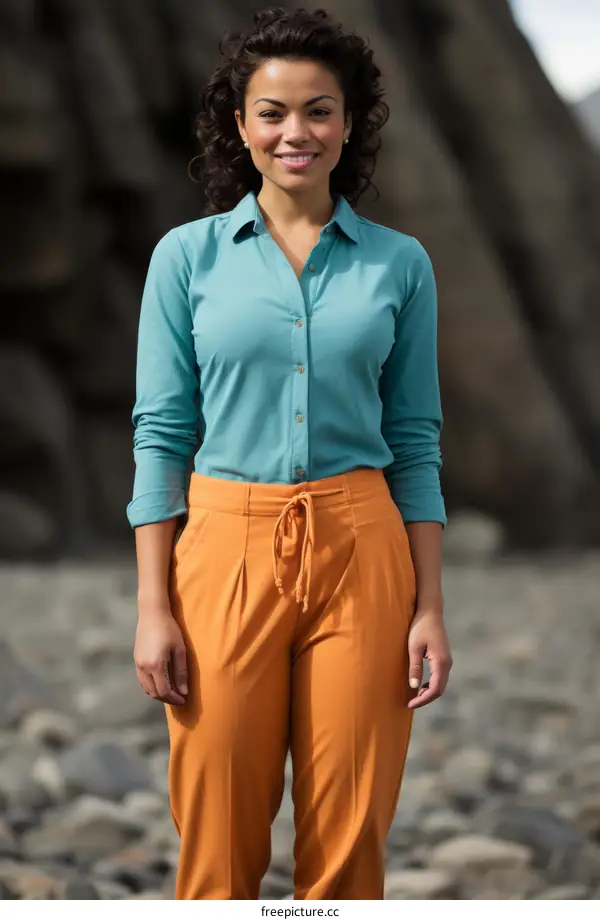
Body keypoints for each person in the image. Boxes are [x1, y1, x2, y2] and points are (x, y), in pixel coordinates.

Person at [127, 5, 452, 901]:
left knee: (348, 843)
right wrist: (154, 607)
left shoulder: (401, 266)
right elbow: (160, 435)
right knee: (218, 834)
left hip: (363, 548)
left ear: (349, 124)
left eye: (319, 110)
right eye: (273, 112)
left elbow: (416, 444)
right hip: (224, 547)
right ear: (241, 125)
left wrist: (429, 607)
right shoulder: (186, 260)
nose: (295, 132)